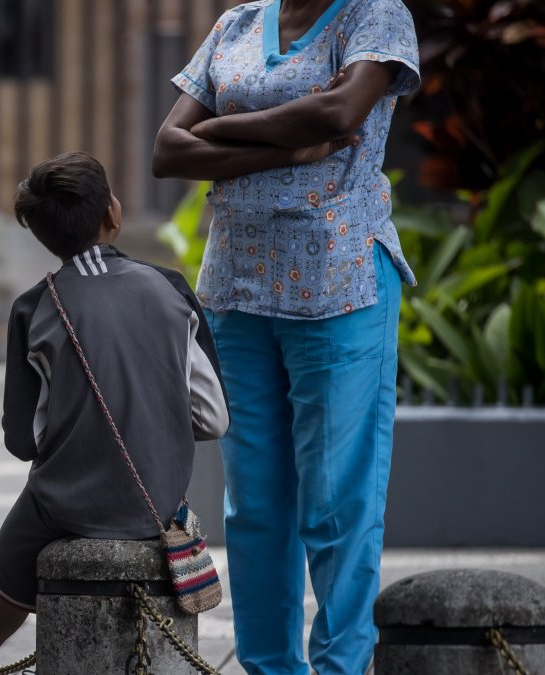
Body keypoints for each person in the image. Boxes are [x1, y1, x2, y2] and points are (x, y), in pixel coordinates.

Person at [152, 0, 420, 672]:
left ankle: (340, 666)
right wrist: (290, 144)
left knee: (337, 504)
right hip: (236, 292)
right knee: (255, 508)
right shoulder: (235, 25)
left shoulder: (375, 16)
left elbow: (338, 115)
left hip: (339, 284)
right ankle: (268, 666)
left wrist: (224, 131)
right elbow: (167, 150)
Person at [0, 151, 229, 675]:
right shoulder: (171, 289)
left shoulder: (33, 306)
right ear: (112, 213)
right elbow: (214, 418)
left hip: (60, 507)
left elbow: (23, 440)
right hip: (158, 503)